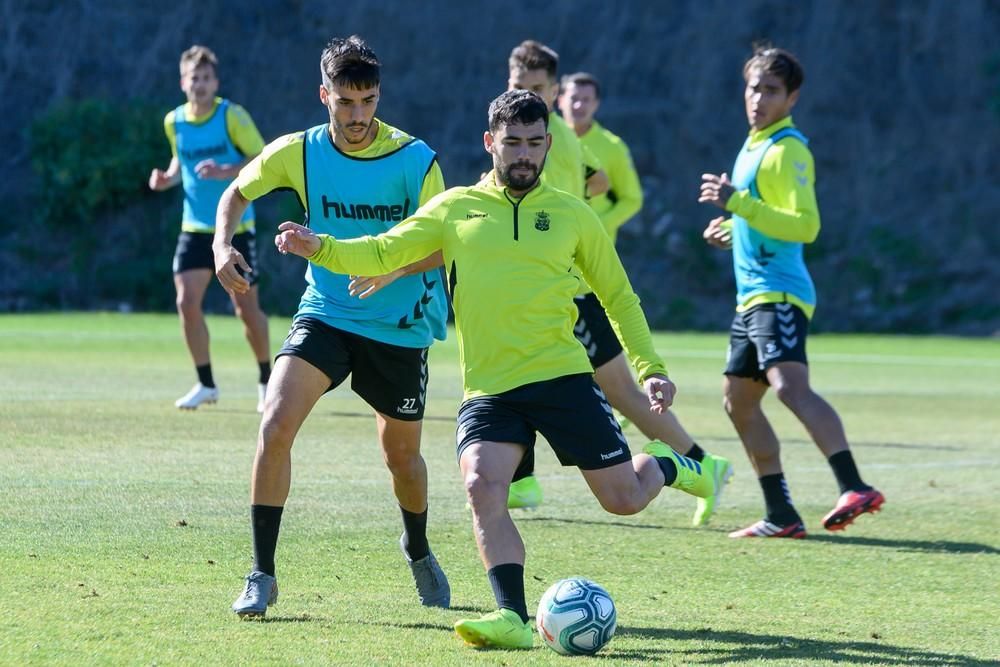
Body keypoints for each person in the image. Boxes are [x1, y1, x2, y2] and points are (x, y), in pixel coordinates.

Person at [275, 89, 717, 649]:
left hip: (562, 378)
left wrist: (649, 367)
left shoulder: (573, 214)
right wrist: (321, 246)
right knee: (483, 484)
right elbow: (385, 251)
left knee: (623, 499)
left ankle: (670, 464)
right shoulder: (456, 208)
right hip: (489, 389)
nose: (524, 155)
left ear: (548, 144)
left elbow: (619, 297)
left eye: (535, 143)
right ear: (491, 144)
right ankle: (511, 615)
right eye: (513, 143)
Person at [214, 35, 451, 617]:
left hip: (399, 325)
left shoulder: (414, 158)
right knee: (274, 423)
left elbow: (447, 243)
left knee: (402, 460)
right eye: (345, 102)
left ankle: (417, 545)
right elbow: (234, 194)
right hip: (326, 312)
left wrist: (389, 264)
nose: (357, 116)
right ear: (325, 95)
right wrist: (223, 246)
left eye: (368, 101)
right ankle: (261, 574)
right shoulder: (298, 152)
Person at [506, 46, 733, 525]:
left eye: (536, 88)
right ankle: (520, 479)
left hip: (571, 287)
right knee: (526, 370)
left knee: (621, 393)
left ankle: (698, 462)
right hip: (550, 285)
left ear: (552, 89)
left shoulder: (553, 139)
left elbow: (608, 185)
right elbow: (597, 177)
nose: (525, 94)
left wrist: (582, 225)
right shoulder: (547, 134)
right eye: (518, 84)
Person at [699, 45, 884, 538]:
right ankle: (780, 513)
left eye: (771, 90)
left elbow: (806, 226)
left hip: (779, 293)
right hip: (751, 297)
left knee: (788, 387)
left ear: (792, 97)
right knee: (738, 402)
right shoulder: (753, 145)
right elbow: (763, 220)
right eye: (753, 87)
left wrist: (737, 203)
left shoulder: (788, 149)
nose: (758, 98)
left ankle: (854, 485)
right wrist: (733, 229)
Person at [149, 45, 271, 412]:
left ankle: (267, 380)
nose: (199, 84)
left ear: (215, 82)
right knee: (186, 302)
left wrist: (224, 170)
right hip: (194, 227)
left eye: (205, 78)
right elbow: (180, 164)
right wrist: (166, 179)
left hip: (235, 227)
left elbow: (262, 157)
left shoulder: (231, 115)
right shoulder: (174, 122)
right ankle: (206, 384)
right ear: (183, 82)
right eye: (193, 78)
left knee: (245, 309)